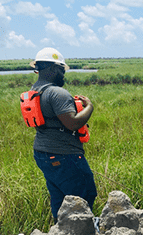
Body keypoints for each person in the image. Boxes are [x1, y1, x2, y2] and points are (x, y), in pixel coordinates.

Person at [27, 47, 96, 222]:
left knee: (60, 198)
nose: (63, 74)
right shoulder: (57, 93)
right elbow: (72, 122)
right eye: (61, 69)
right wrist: (89, 107)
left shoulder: (35, 91)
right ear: (51, 68)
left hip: (43, 153)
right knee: (84, 196)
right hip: (65, 155)